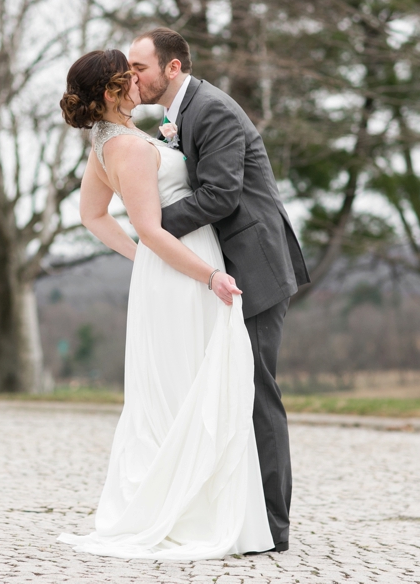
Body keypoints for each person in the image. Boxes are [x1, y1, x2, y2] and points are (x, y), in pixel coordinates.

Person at [56, 48, 275, 559]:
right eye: (127, 76)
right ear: (112, 92)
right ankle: (193, 514)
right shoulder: (128, 147)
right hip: (186, 274)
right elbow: (149, 227)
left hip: (170, 271)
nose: (137, 80)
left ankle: (209, 505)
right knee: (190, 388)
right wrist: (209, 275)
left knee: (189, 384)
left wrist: (144, 261)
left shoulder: (105, 142)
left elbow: (93, 216)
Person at [129, 29, 309, 552]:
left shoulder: (213, 111)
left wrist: (153, 227)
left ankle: (273, 527)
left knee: (255, 394)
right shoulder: (178, 114)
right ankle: (231, 512)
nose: (132, 76)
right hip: (220, 273)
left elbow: (223, 195)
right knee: (225, 392)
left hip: (254, 270)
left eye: (140, 67)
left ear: (174, 68)